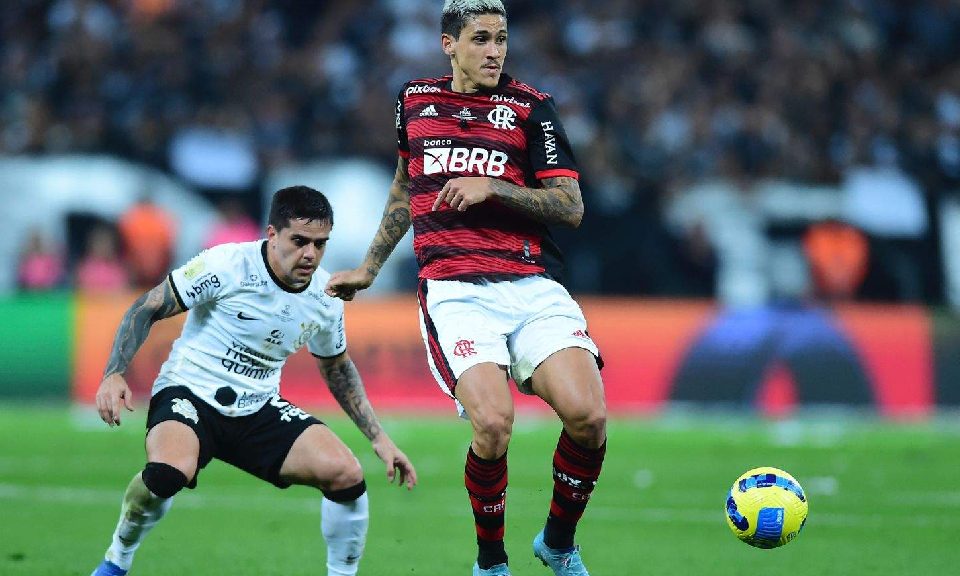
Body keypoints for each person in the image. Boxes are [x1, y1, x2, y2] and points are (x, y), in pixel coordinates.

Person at [325, 2, 606, 575]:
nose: (494, 51)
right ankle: (491, 562)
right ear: (448, 44)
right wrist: (370, 268)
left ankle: (557, 542)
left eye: (501, 39)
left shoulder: (532, 108)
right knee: (494, 424)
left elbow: (570, 207)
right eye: (480, 39)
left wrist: (494, 187)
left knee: (589, 416)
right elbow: (406, 190)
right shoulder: (413, 101)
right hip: (455, 290)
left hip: (531, 285)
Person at [91, 185, 417, 576]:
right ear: (272, 234)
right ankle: (116, 562)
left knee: (346, 474)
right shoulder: (226, 264)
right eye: (299, 241)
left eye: (320, 244)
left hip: (257, 406)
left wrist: (379, 438)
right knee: (168, 472)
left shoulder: (326, 295)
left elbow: (337, 367)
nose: (310, 254)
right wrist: (114, 373)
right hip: (189, 392)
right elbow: (147, 308)